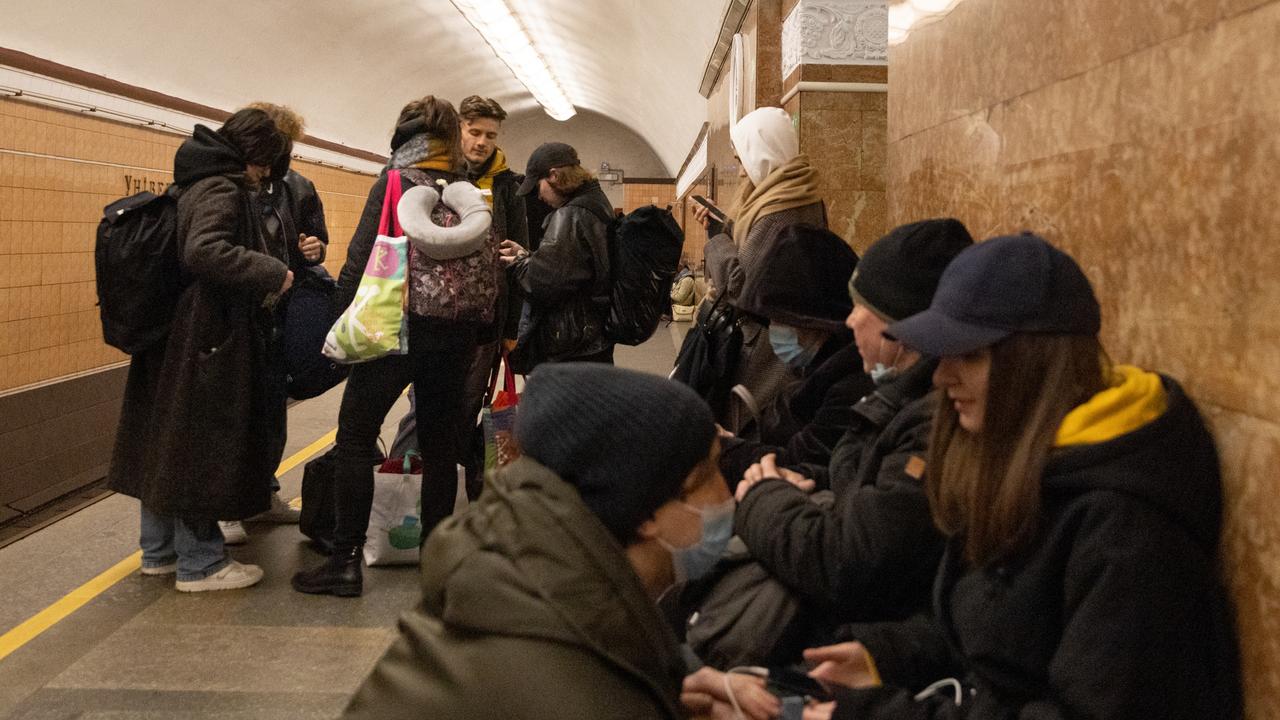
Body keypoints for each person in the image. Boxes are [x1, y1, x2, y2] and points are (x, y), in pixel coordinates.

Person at [801, 233, 1242, 719]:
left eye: (968, 355)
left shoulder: (1126, 531)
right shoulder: (1025, 463)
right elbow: (997, 630)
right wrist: (888, 656)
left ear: (1033, 363)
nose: (943, 376)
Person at [341, 364, 777, 719]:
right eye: (710, 476)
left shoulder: (515, 571)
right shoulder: (588, 697)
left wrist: (671, 688)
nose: (729, 491)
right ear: (646, 512)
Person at [676, 219, 973, 667]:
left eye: (862, 308)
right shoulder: (890, 397)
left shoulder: (926, 418)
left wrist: (763, 493)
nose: (849, 319)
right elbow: (851, 482)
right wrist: (787, 482)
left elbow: (851, 559)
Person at [292, 96, 498, 598]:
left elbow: (362, 254)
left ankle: (344, 563)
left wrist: (338, 324)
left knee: (356, 439)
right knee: (440, 449)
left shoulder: (393, 182)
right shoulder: (467, 189)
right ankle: (437, 567)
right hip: (453, 334)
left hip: (393, 330)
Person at [107, 108, 291, 592]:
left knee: (164, 441)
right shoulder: (221, 186)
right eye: (266, 164)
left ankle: (160, 553)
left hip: (175, 335)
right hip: (206, 337)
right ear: (255, 156)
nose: (266, 175)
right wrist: (273, 272)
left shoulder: (190, 180)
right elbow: (203, 250)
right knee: (197, 446)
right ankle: (201, 564)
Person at [388, 95, 527, 499]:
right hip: (425, 311)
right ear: (458, 131)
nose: (483, 141)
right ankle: (400, 489)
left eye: (491, 135)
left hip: (483, 317)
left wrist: (511, 325)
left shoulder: (508, 187)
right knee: (424, 411)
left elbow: (517, 255)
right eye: (474, 131)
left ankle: (438, 497)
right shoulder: (433, 176)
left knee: (463, 410)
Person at [216, 102, 329, 545]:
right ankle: (226, 505)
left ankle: (263, 492)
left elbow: (314, 238)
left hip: (281, 311)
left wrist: (314, 248)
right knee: (235, 410)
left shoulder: (298, 187)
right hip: (239, 313)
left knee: (272, 407)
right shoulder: (233, 184)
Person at [690, 107, 827, 425]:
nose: (739, 172)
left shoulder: (780, 209)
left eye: (740, 161)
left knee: (748, 425)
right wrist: (728, 229)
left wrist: (715, 237)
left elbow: (739, 286)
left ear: (762, 153)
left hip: (766, 349)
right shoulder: (799, 197)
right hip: (783, 340)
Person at [718, 223, 869, 472]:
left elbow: (800, 460)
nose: (774, 329)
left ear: (816, 320)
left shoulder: (848, 383)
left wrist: (725, 448)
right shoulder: (823, 367)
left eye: (783, 320)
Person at [498, 142, 614, 370]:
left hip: (571, 341)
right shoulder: (596, 204)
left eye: (537, 186)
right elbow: (569, 268)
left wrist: (519, 264)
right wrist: (526, 255)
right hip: (592, 337)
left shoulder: (571, 215)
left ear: (554, 176)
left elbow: (540, 282)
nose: (538, 197)